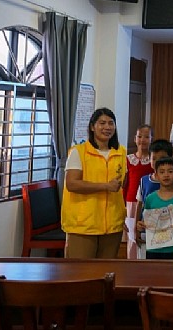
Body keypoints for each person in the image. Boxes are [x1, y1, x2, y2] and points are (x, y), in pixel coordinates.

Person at [61, 107, 127, 259]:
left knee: (106, 270)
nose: (107, 127)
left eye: (111, 123)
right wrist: (105, 186)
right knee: (81, 271)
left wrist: (122, 216)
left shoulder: (121, 152)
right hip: (83, 225)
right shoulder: (79, 151)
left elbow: (123, 185)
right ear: (92, 127)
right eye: (102, 123)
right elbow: (72, 184)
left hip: (112, 225)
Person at [136, 157, 173, 260]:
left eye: (170, 171)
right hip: (153, 248)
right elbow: (145, 221)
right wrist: (140, 226)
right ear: (156, 175)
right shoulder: (150, 198)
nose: (166, 175)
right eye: (162, 172)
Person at [134, 139, 173, 258]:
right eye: (154, 158)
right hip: (147, 230)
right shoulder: (144, 180)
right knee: (146, 262)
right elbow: (139, 204)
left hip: (168, 232)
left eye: (162, 158)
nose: (157, 162)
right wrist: (136, 227)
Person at [124, 124, 153, 259]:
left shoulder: (153, 160)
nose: (143, 140)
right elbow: (125, 185)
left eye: (146, 137)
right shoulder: (128, 159)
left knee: (147, 233)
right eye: (139, 136)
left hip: (147, 203)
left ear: (151, 139)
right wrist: (123, 206)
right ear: (135, 139)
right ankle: (132, 263)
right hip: (131, 203)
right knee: (132, 236)